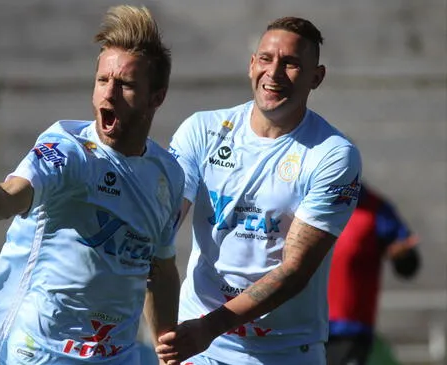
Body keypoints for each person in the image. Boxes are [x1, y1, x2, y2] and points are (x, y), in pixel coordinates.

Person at [0, 5, 183, 365]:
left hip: (117, 356)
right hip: (40, 352)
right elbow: (3, 202)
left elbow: (160, 269)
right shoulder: (68, 151)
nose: (108, 94)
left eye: (125, 84)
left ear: (156, 97)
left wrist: (166, 350)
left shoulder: (167, 175)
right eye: (102, 80)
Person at [157, 16, 363, 365]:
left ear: (317, 77)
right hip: (200, 342)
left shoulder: (332, 153)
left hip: (283, 348)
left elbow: (295, 270)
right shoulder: (202, 130)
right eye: (266, 59)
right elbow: (163, 222)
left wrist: (212, 326)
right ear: (252, 64)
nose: (275, 72)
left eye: (292, 63)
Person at [326, 183, 420, 365]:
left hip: (347, 330)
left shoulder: (375, 209)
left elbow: (408, 264)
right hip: (300, 325)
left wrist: (403, 256)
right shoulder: (301, 199)